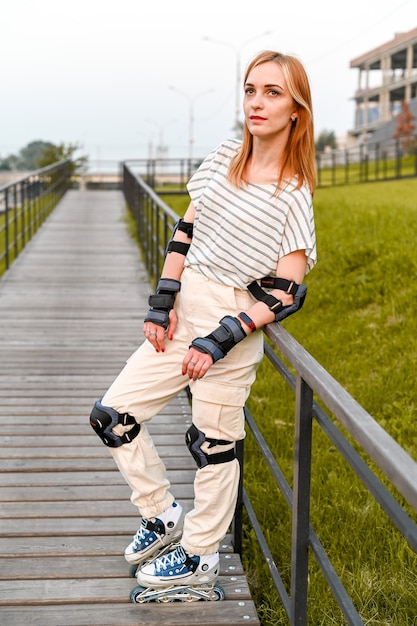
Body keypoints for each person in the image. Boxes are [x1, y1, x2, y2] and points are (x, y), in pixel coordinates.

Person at [89, 50, 317, 592]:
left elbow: (286, 294)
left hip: (230, 330)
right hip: (182, 315)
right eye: (250, 89)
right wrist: (162, 304)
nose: (256, 103)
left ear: (296, 112)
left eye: (273, 93)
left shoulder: (293, 195)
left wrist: (220, 341)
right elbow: (183, 235)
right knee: (112, 416)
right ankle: (160, 511)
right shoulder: (221, 157)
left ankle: (198, 554)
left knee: (212, 444)